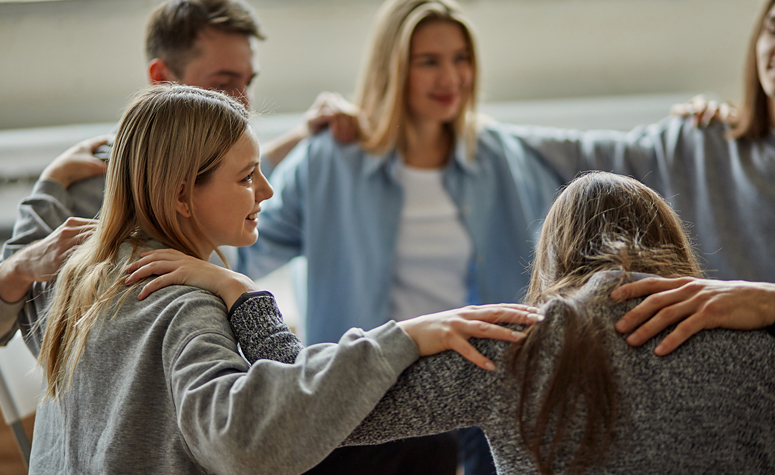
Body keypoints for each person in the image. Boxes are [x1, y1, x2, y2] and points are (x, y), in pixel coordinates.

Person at [0, 84, 541, 474]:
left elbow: (25, 258)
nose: (267, 190)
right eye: (246, 176)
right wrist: (401, 338)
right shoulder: (182, 305)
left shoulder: (76, 275)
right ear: (182, 196)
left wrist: (49, 184)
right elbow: (249, 437)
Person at [226, 171, 775, 474]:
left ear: (554, 258)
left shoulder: (517, 348)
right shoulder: (758, 338)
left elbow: (310, 405)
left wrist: (244, 295)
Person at [233, 0, 561, 472]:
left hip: (484, 380)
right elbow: (244, 249)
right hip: (372, 392)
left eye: (460, 58)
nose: (450, 78)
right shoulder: (331, 160)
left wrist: (697, 129)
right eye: (428, 62)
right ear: (393, 68)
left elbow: (607, 168)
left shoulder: (500, 157)